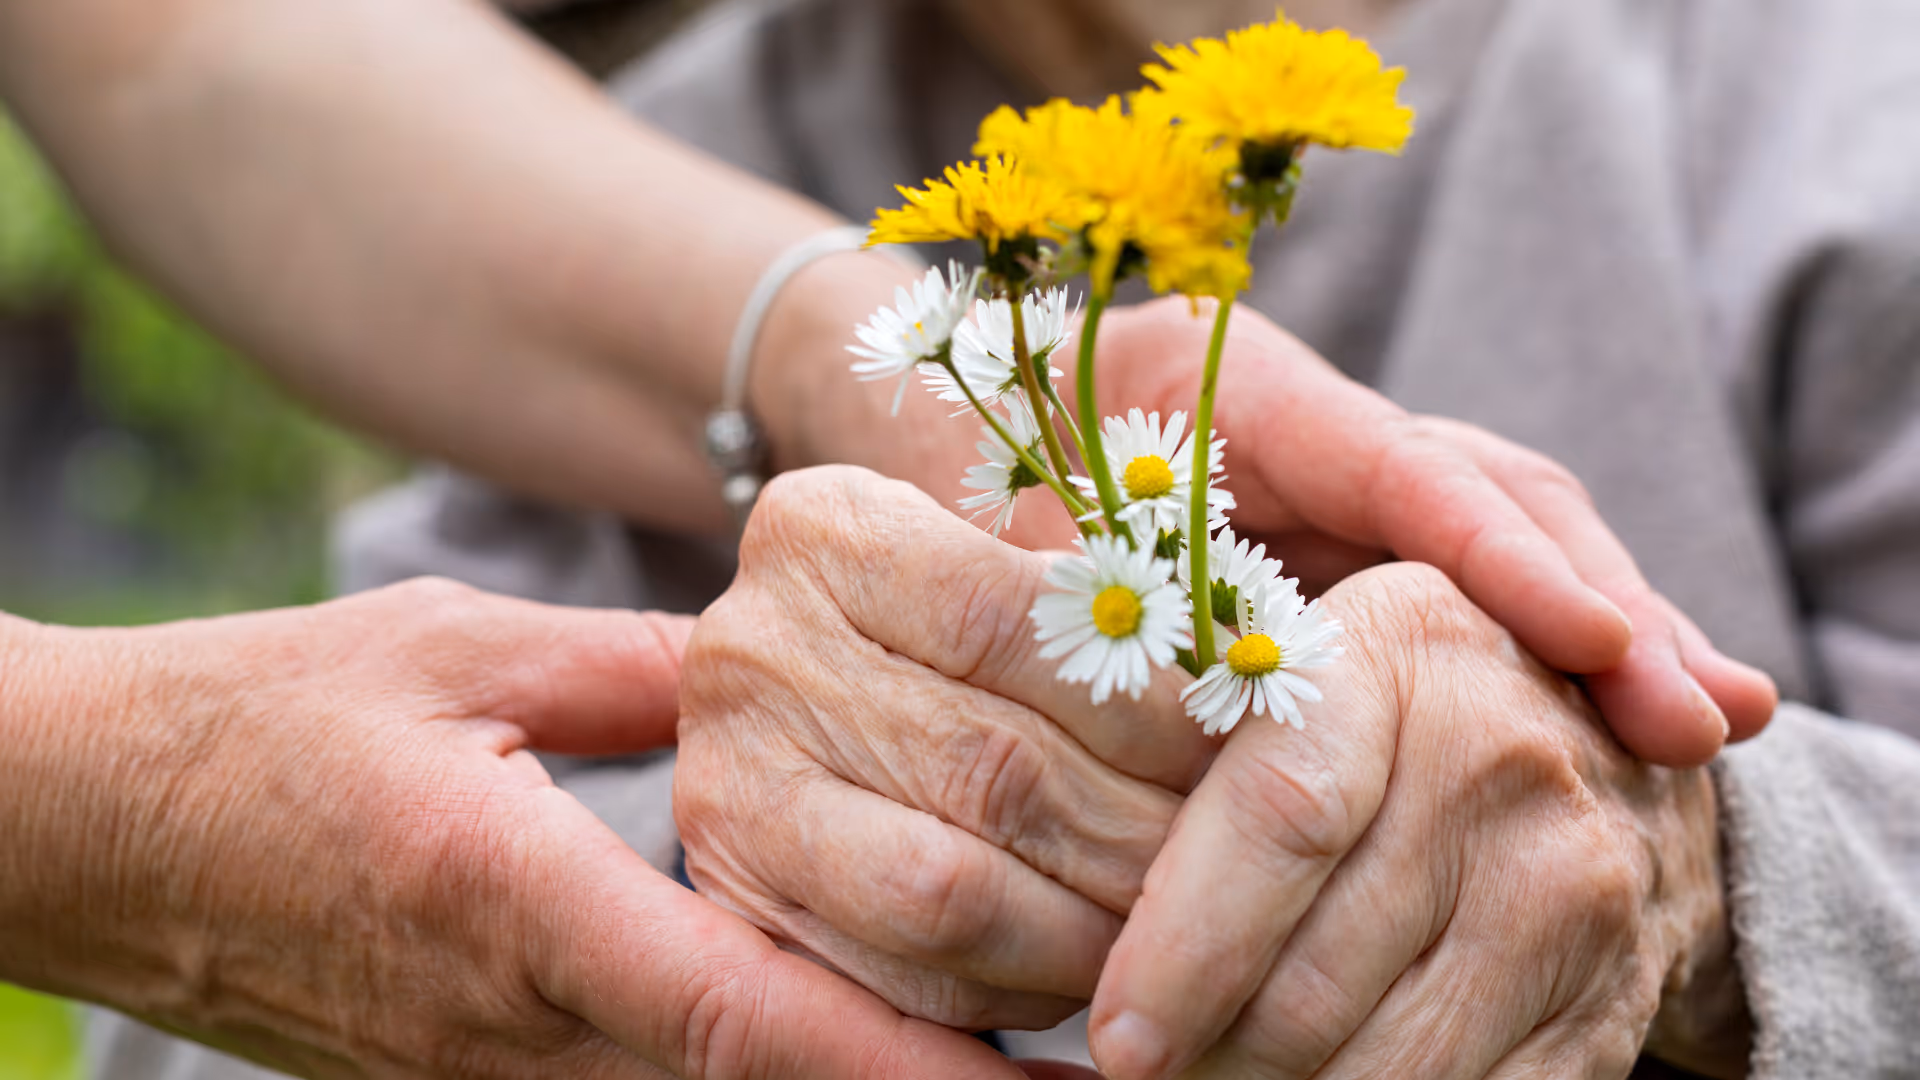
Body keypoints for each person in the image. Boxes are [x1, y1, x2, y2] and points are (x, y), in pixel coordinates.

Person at [0, 2, 1763, 1080]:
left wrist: (864, 361)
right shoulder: (732, 118)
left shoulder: (1783, 117)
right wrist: (107, 803)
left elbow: (174, 48)